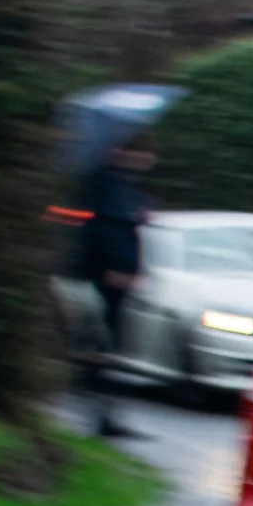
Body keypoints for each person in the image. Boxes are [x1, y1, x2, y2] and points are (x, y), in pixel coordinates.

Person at [74, 132, 155, 439]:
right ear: (122, 151)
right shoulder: (108, 181)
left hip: (109, 275)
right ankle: (101, 417)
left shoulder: (119, 182)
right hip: (108, 276)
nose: (149, 159)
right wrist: (115, 268)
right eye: (143, 152)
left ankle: (105, 414)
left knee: (104, 345)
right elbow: (108, 227)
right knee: (102, 345)